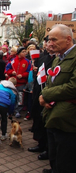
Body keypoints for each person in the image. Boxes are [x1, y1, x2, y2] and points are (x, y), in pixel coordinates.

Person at [39, 24, 76, 173]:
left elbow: (73, 87)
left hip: (67, 119)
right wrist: (44, 97)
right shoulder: (57, 59)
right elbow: (49, 81)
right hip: (53, 116)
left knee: (65, 161)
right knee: (54, 156)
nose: (50, 43)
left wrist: (46, 95)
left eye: (54, 39)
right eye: (49, 40)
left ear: (68, 39)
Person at [28, 38, 56, 161]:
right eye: (48, 42)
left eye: (52, 41)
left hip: (50, 95)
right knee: (39, 119)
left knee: (47, 123)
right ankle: (41, 144)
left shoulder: (58, 59)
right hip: (39, 91)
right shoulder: (44, 57)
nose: (48, 44)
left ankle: (48, 149)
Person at [0, 77, 18, 144]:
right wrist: (10, 112)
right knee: (4, 119)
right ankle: (3, 135)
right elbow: (12, 102)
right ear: (14, 85)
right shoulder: (13, 90)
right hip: (4, 105)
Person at [5, 47, 31, 118]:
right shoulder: (12, 61)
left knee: (20, 98)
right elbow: (7, 69)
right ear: (19, 53)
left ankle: (18, 111)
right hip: (13, 83)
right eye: (23, 52)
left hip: (21, 83)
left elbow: (29, 72)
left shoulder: (27, 61)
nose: (25, 53)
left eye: (25, 52)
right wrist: (11, 72)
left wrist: (22, 75)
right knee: (11, 97)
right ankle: (10, 110)